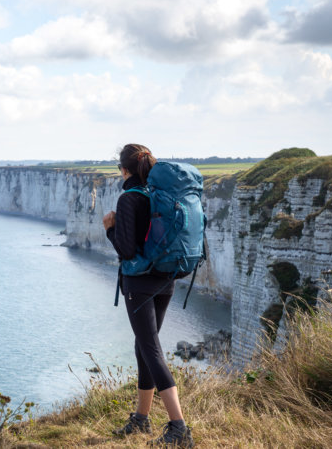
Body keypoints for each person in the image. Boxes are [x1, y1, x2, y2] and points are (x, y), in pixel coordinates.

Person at [102, 144, 194, 448]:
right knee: (143, 346)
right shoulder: (157, 196)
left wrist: (109, 229)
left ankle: (179, 427)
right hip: (165, 280)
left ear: (125, 170)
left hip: (139, 284)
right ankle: (141, 420)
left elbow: (127, 250)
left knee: (151, 350)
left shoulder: (129, 198)